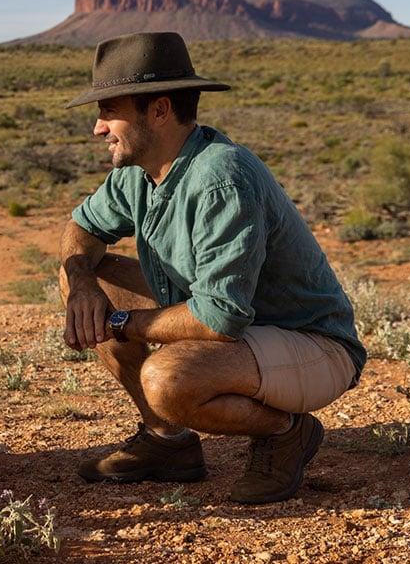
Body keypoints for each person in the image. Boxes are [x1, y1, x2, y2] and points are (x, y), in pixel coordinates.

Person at [58, 32, 367, 504]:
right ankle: (168, 444)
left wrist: (118, 323)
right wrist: (82, 284)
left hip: (310, 342)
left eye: (109, 110)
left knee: (168, 378)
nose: (98, 127)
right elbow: (81, 229)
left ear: (159, 110)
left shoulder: (221, 178)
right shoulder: (138, 173)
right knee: (87, 272)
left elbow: (219, 318)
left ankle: (287, 431)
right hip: (242, 331)